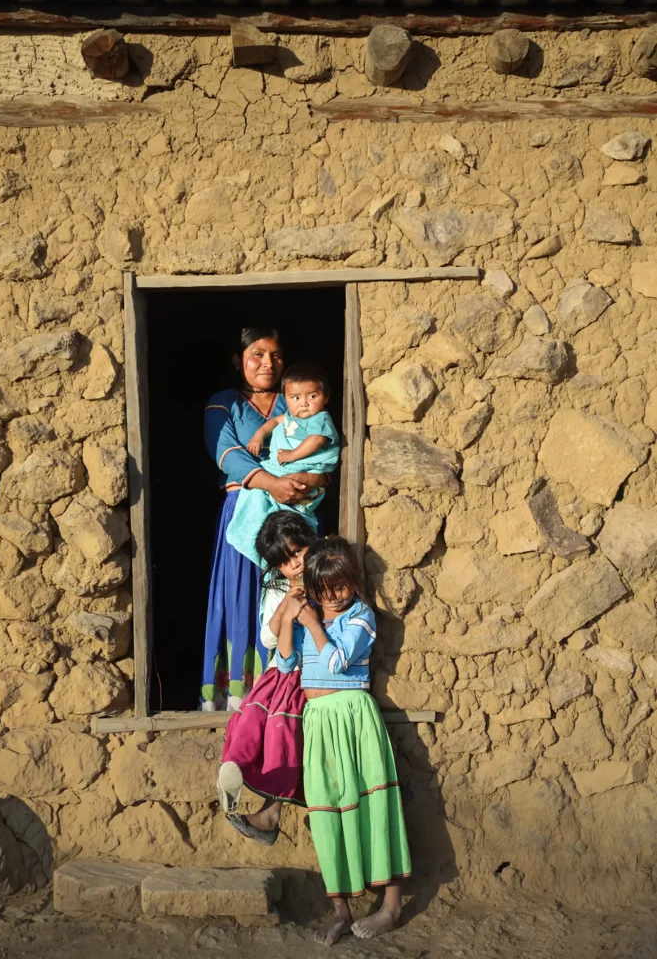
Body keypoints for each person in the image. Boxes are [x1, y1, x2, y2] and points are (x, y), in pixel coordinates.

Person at [276, 537, 411, 945]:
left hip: (353, 718)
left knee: (374, 804)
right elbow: (284, 662)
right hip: (318, 722)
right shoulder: (312, 613)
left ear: (354, 582)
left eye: (341, 586)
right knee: (327, 811)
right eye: (323, 589)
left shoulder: (361, 618)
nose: (333, 596)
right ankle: (341, 910)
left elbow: (336, 662)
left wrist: (313, 623)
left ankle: (391, 905)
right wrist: (289, 612)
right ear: (312, 587)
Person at [200, 328, 327, 712]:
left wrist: (317, 477)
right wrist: (272, 484)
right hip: (245, 511)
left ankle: (288, 687)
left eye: (275, 355)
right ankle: (239, 692)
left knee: (292, 589)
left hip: (295, 511)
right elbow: (225, 450)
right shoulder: (224, 404)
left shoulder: (298, 404)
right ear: (238, 361)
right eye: (257, 354)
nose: (267, 363)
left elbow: (326, 444)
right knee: (242, 592)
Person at [217, 511, 317, 845]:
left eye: (298, 553)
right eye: (286, 562)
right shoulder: (276, 588)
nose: (296, 565)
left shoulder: (328, 575)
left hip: (310, 669)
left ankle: (272, 811)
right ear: (277, 567)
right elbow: (267, 639)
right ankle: (235, 767)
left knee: (281, 727)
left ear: (310, 544)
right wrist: (285, 607)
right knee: (249, 715)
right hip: (280, 670)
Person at [225, 362, 340, 567]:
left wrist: (292, 455)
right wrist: (260, 435)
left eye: (312, 396)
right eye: (296, 398)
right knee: (258, 502)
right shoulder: (289, 416)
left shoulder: (320, 419)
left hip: (300, 471)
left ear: (326, 397)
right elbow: (277, 422)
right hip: (275, 475)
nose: (304, 403)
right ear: (285, 399)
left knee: (289, 528)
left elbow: (317, 441)